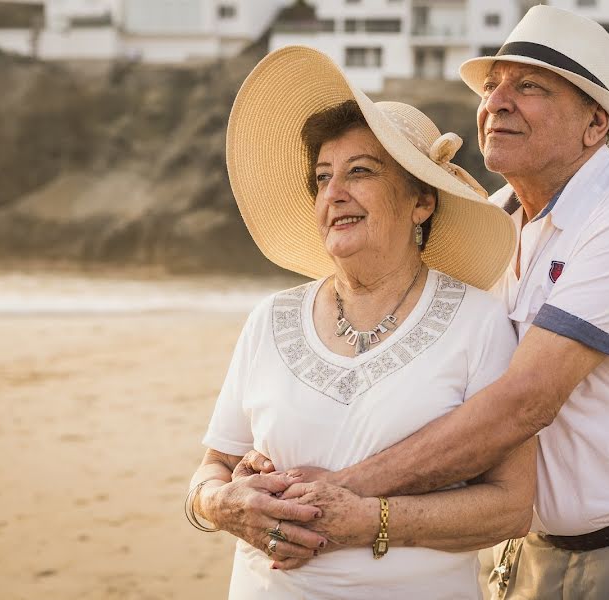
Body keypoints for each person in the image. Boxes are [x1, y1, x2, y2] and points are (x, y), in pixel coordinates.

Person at [240, 6, 609, 599]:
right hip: (531, 551)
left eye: (529, 86)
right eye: (491, 85)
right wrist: (278, 455)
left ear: (594, 124)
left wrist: (346, 489)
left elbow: (524, 402)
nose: (497, 102)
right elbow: (417, 367)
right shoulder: (492, 223)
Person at [185, 45, 536, 599]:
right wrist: (221, 504)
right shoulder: (269, 320)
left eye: (360, 172)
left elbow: (511, 508)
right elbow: (213, 469)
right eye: (322, 177)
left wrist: (372, 520)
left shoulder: (480, 323)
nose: (334, 193)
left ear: (421, 201)